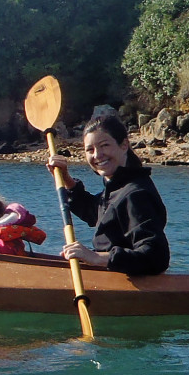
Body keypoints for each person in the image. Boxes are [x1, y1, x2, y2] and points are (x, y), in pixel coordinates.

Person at [45, 115, 170, 275]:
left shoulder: (136, 194)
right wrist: (66, 179)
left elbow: (156, 257)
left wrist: (96, 257)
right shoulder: (118, 187)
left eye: (104, 145)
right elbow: (97, 213)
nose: (97, 155)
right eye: (90, 150)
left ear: (124, 145)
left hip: (128, 287)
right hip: (111, 276)